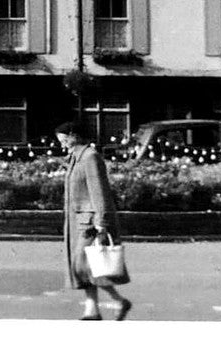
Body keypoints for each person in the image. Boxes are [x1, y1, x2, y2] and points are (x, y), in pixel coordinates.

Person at [56, 121, 132, 321]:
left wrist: (102, 222)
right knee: (84, 265)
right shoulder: (75, 158)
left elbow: (99, 192)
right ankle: (92, 309)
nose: (63, 145)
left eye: (64, 140)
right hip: (77, 220)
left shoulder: (90, 157)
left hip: (90, 222)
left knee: (84, 265)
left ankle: (117, 300)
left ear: (74, 136)